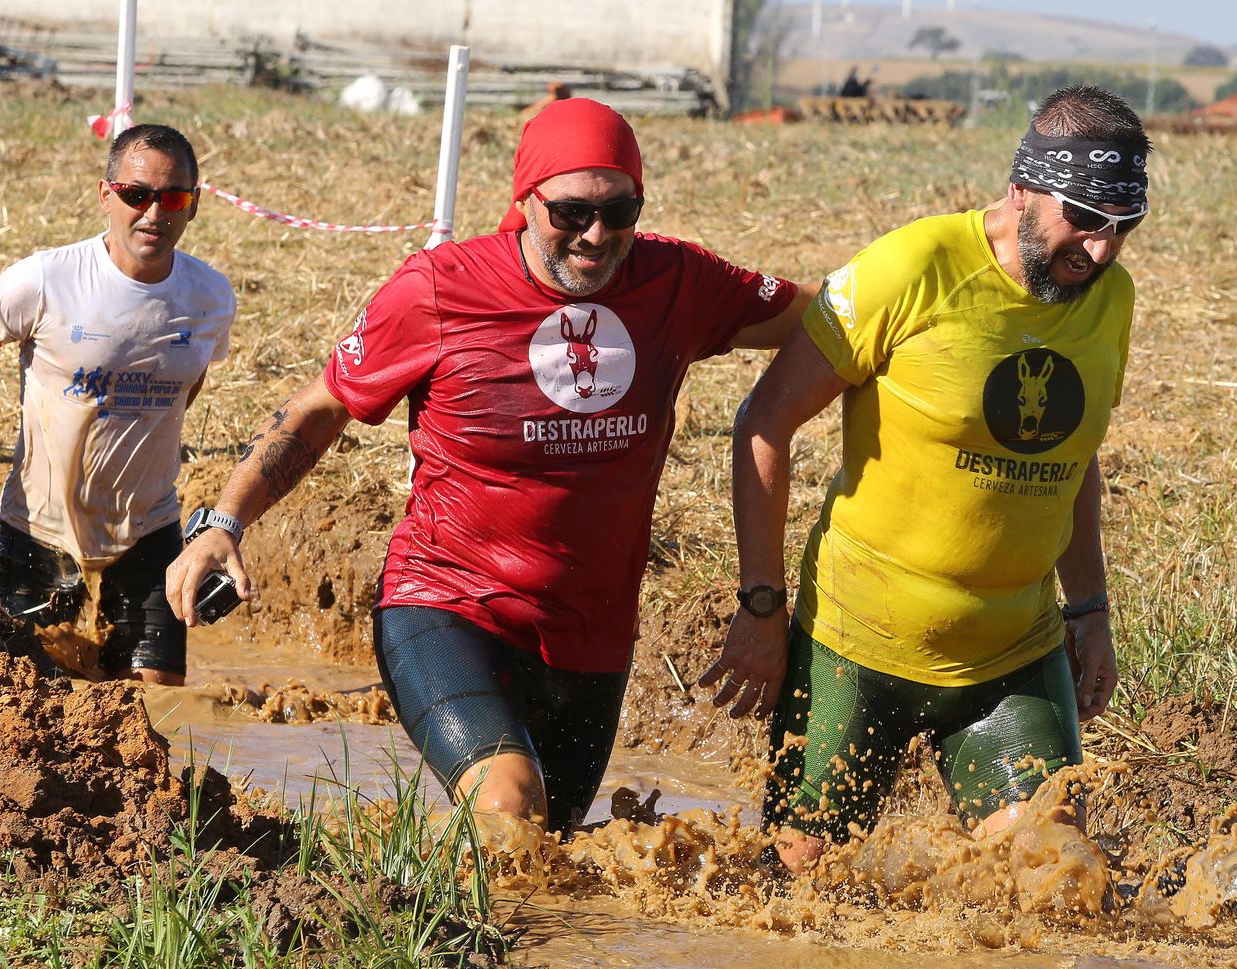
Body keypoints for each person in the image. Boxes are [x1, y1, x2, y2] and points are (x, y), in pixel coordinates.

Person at [166, 98, 814, 834]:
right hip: (448, 605)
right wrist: (225, 520)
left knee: (552, 854)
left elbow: (827, 319)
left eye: (619, 210)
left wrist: (942, 275)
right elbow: (320, 408)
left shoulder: (676, 279)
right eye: (570, 212)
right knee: (508, 809)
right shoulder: (439, 289)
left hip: (593, 634)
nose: (596, 236)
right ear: (526, 201)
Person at [703, 84, 1150, 873]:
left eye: (1122, 226)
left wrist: (1090, 609)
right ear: (1022, 191)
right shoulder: (913, 268)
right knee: (795, 885)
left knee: (1058, 879)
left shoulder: (1110, 301)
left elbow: (1074, 461)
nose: (1102, 249)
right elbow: (763, 423)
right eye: (1082, 218)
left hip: (1012, 652)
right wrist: (761, 604)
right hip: (857, 644)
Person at [0, 123, 233, 687]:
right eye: (136, 195)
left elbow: (188, 385)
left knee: (156, 713)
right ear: (106, 195)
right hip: (40, 535)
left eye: (172, 198)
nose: (153, 213)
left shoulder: (211, 297)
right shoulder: (48, 279)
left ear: (194, 205)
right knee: (34, 707)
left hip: (150, 533)